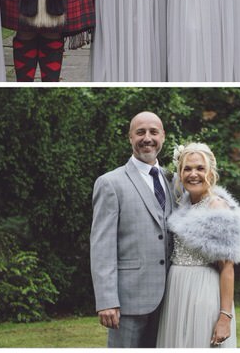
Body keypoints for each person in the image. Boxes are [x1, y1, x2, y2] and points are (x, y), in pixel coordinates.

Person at [90, 111, 173, 348]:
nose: (147, 138)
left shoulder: (173, 179)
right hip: (128, 301)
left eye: (153, 132)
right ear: (130, 138)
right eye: (140, 132)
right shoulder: (110, 183)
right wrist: (106, 300)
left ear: (163, 136)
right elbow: (101, 246)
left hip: (170, 301)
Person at [155, 143, 240, 348]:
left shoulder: (217, 206)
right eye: (187, 168)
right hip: (176, 292)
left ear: (210, 172)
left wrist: (225, 317)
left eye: (200, 168)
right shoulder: (184, 204)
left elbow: (227, 268)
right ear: (180, 172)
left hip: (202, 292)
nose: (193, 174)